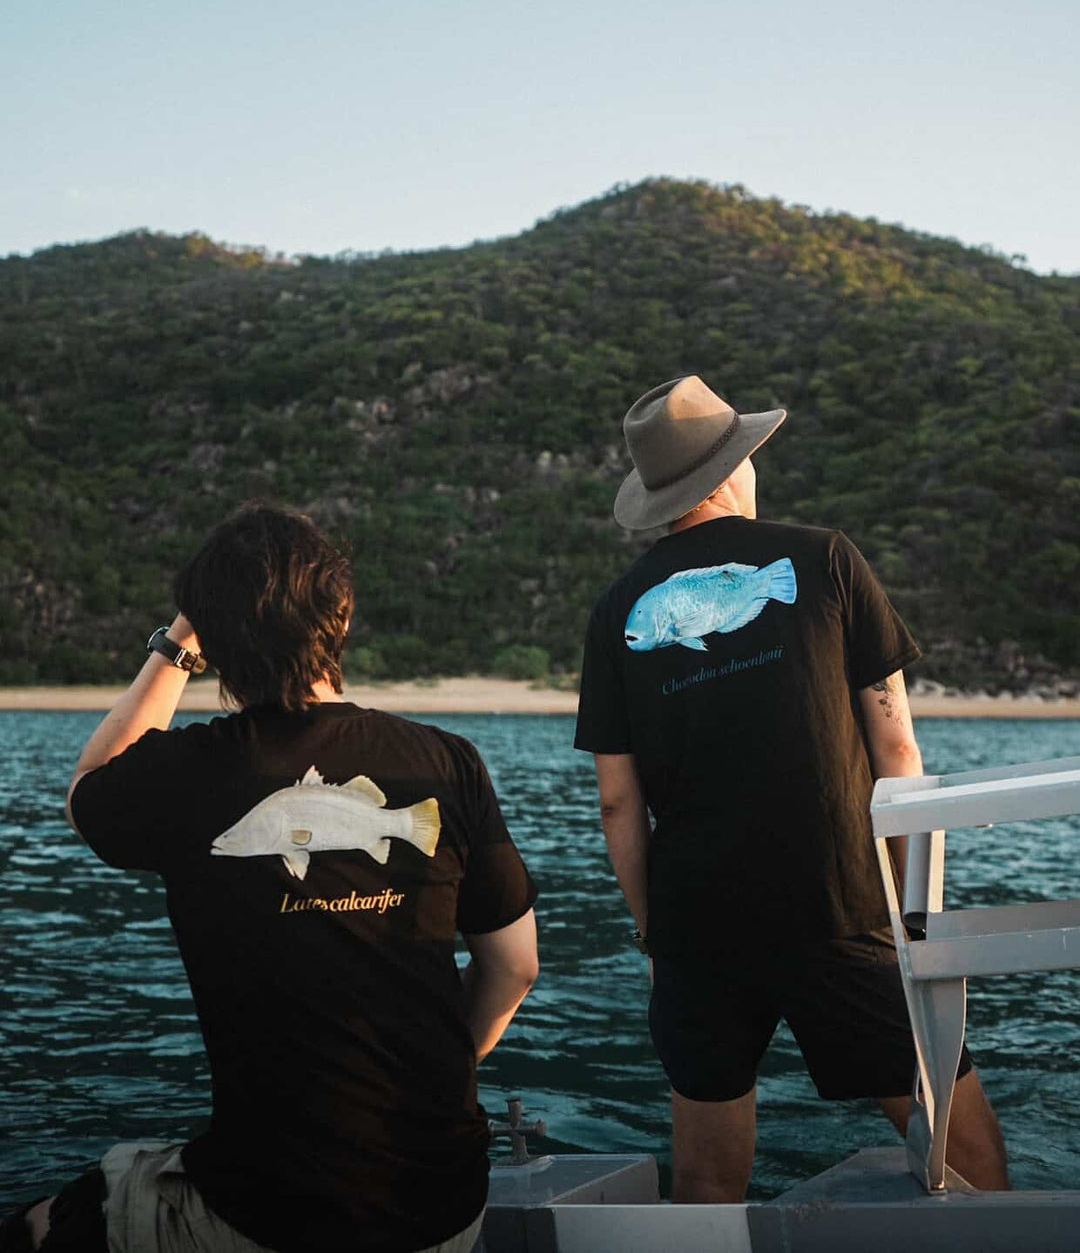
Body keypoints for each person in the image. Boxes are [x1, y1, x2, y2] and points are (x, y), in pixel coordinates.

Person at [4, 502, 538, 1253]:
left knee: (38, 1228)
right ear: (342, 618)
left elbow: (87, 786)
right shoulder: (447, 760)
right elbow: (515, 967)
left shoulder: (187, 775)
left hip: (272, 1218)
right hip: (447, 1206)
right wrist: (430, 1086)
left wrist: (177, 641)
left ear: (215, 646)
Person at [574, 375, 1008, 1202]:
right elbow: (898, 748)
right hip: (837, 901)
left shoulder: (616, 610)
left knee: (704, 1179)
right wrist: (906, 915)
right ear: (735, 468)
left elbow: (617, 803)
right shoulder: (826, 559)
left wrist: (653, 934)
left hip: (697, 923)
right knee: (963, 1151)